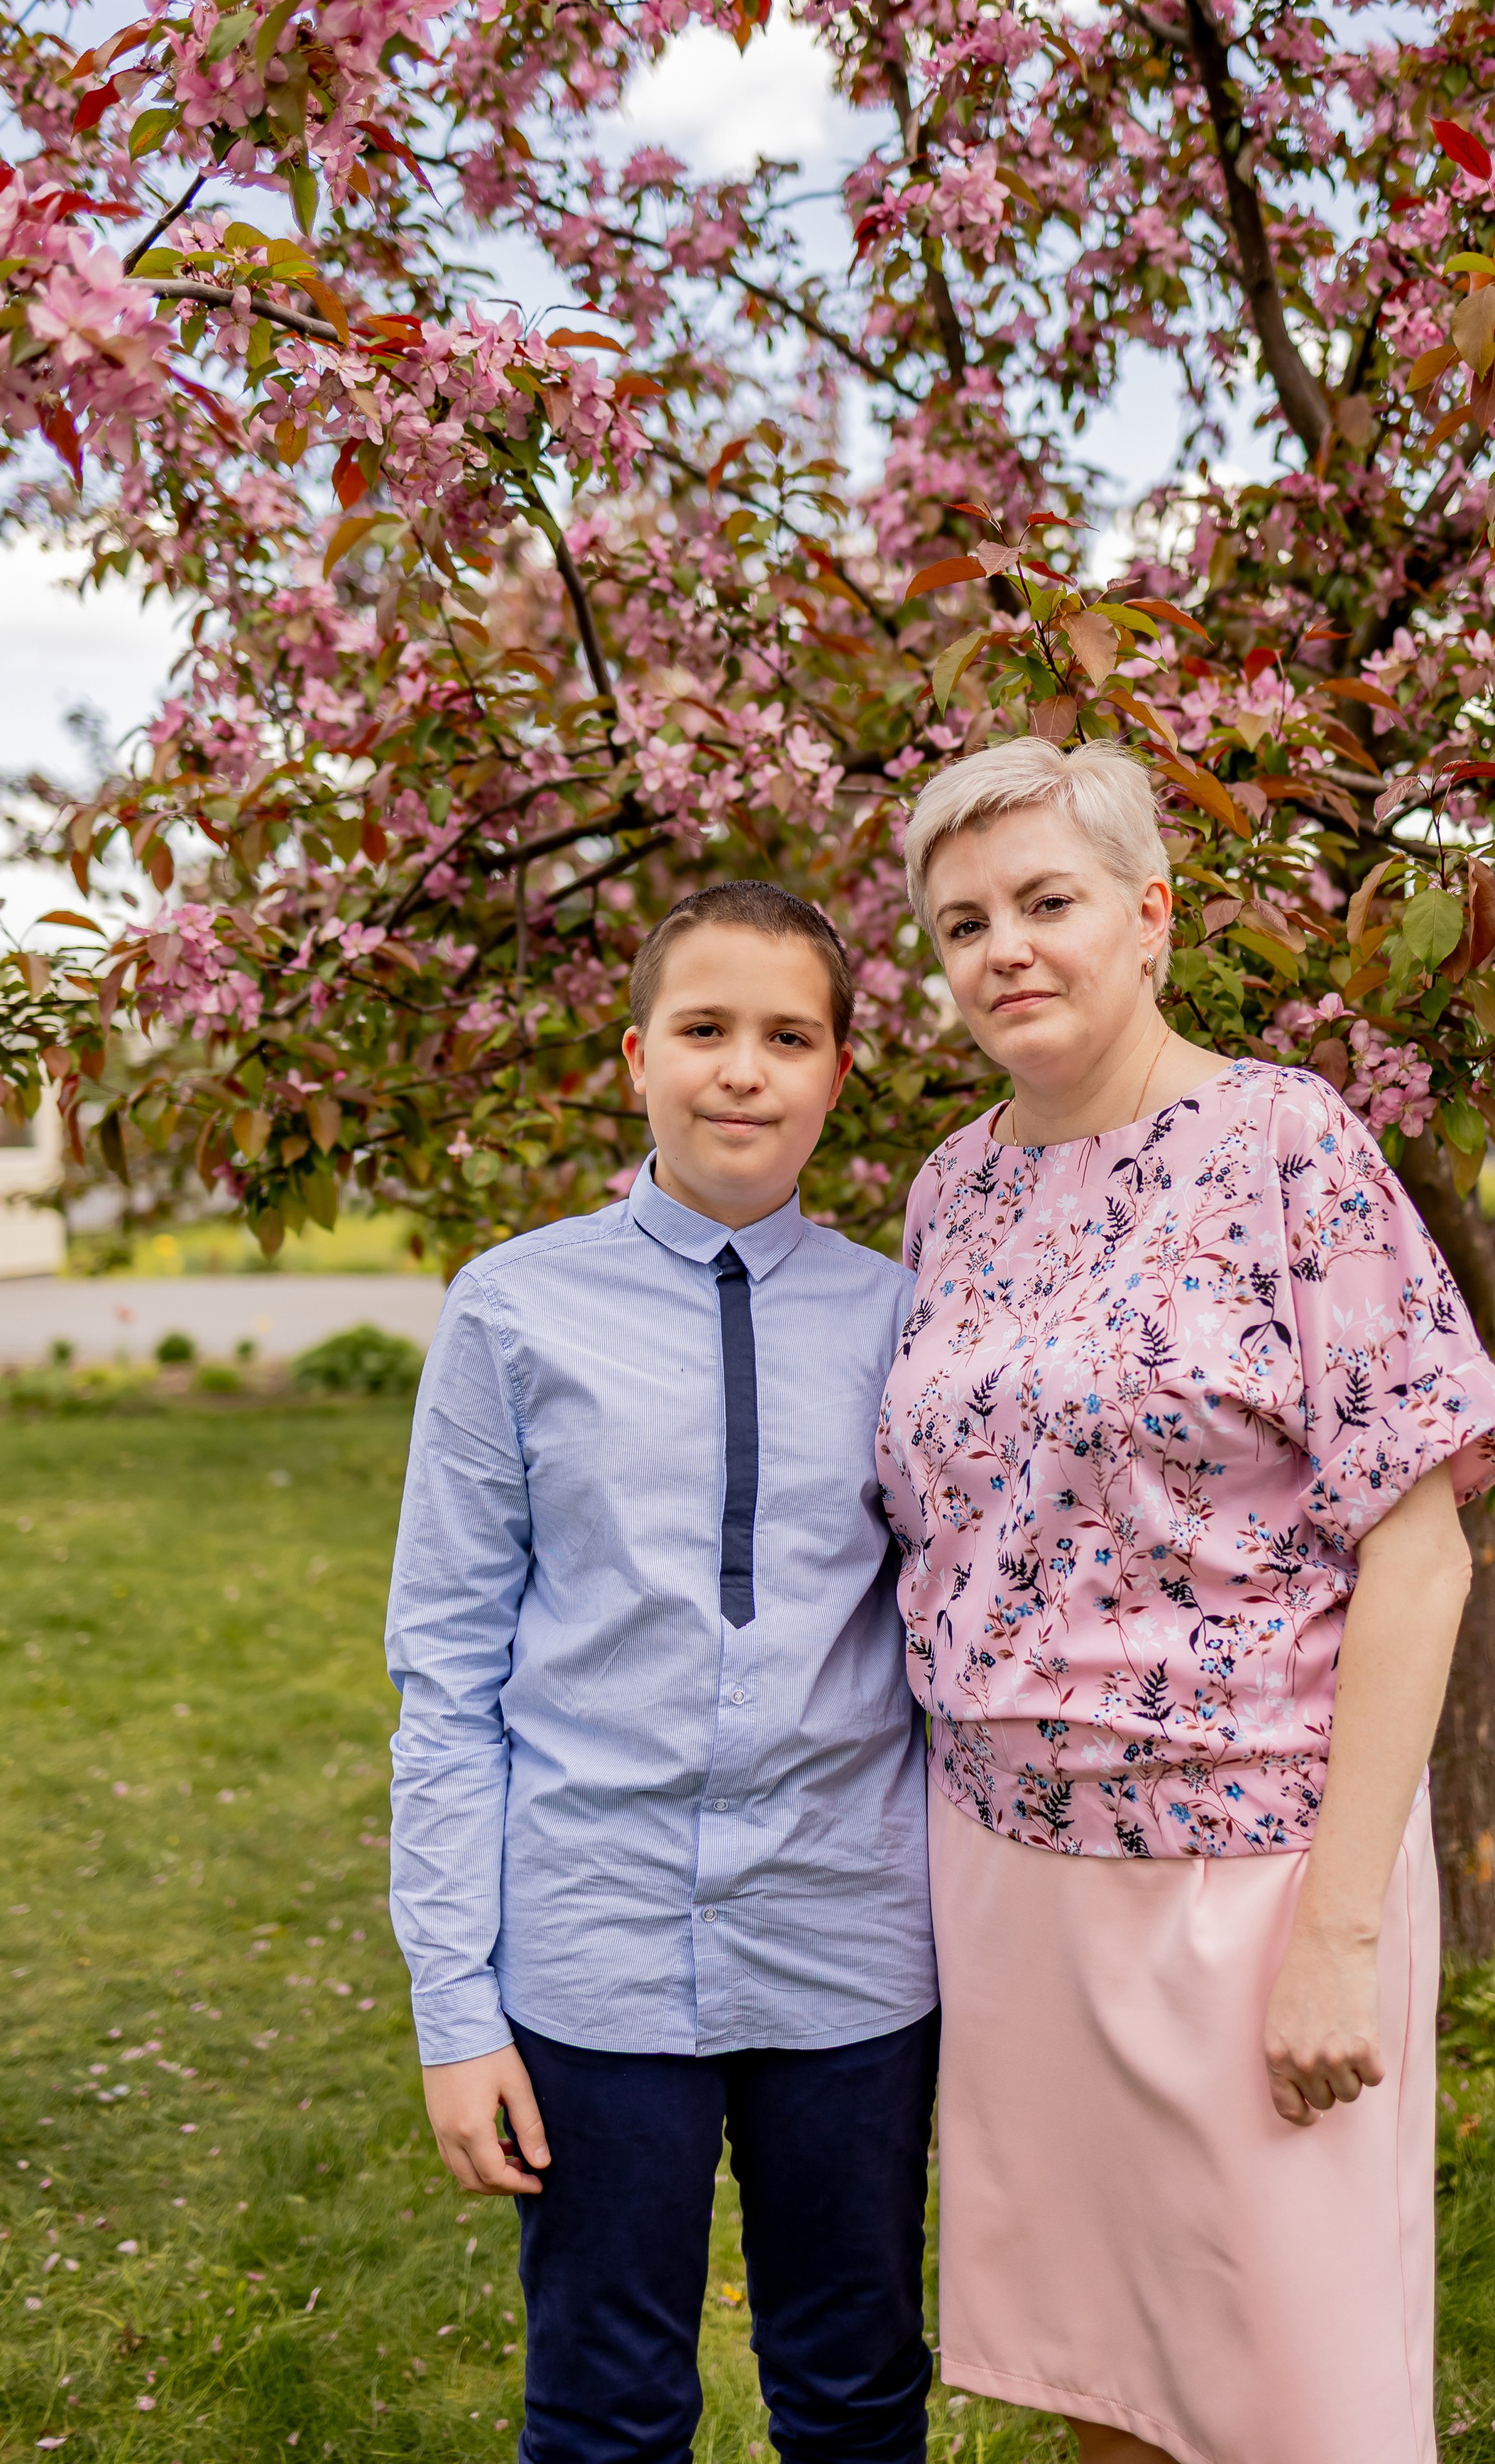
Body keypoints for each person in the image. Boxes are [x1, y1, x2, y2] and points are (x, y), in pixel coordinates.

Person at [877, 739, 1495, 2464]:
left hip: (1248, 1885)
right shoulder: (951, 1188)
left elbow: (1419, 1550)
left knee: (1290, 2395)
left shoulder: (1282, 1144)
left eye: (1045, 902)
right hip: (1013, 1878)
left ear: (1149, 917)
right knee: (1114, 2381)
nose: (1003, 948)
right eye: (961, 924)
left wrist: (1338, 1936)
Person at [385, 881, 938, 2464]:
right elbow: (445, 1672)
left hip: (848, 1941)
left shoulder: (903, 1322)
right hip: (590, 1944)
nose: (741, 1072)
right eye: (704, 1031)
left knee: (852, 2382)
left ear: (837, 1073)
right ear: (637, 1057)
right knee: (605, 2399)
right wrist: (452, 2008)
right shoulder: (510, 1310)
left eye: (786, 1037)